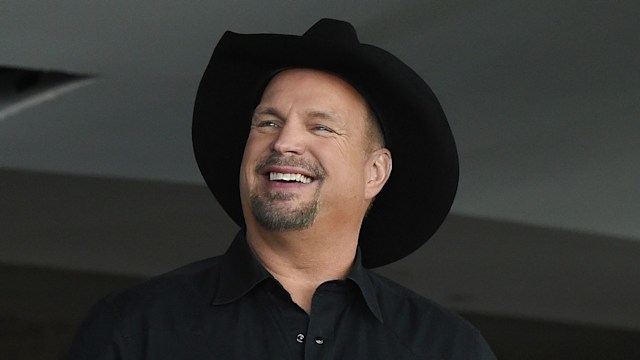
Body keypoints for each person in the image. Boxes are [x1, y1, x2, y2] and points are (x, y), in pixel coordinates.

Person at [68, 19, 496, 359]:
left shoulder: (447, 348)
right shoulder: (134, 327)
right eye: (268, 122)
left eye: (320, 127)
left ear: (375, 173)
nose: (284, 142)